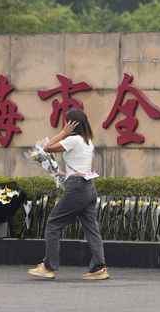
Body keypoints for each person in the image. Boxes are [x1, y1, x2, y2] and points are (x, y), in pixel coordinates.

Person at [28, 108, 109, 281]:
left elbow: (46, 148)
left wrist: (62, 133)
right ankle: (99, 268)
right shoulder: (88, 142)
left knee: (53, 223)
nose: (65, 126)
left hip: (77, 189)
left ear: (71, 124)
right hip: (89, 188)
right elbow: (87, 168)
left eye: (67, 123)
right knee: (91, 229)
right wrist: (65, 174)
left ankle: (48, 266)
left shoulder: (73, 139)